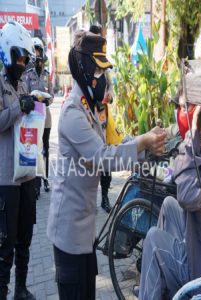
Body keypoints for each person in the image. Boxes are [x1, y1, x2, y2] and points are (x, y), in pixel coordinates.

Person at [46, 31, 166, 300]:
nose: (104, 80)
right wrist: (142, 144)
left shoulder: (90, 108)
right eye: (99, 73)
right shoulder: (72, 113)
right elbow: (103, 158)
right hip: (68, 232)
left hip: (84, 228)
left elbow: (116, 143)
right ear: (85, 70)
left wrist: (146, 144)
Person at [137, 91, 201, 299]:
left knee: (154, 239)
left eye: (185, 108)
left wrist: (192, 133)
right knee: (168, 204)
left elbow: (187, 195)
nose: (179, 113)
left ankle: (153, 287)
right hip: (200, 240)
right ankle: (160, 281)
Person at [0, 21, 37, 300]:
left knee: (25, 237)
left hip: (27, 171)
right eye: (20, 57)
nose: (23, 63)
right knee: (6, 243)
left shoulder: (24, 82)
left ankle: (21, 288)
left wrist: (36, 105)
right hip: (6, 179)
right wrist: (17, 107)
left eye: (26, 58)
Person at [22, 37, 54, 198]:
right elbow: (25, 94)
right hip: (33, 116)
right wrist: (33, 98)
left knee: (45, 148)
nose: (37, 53)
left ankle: (45, 178)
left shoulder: (47, 75)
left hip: (45, 115)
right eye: (35, 50)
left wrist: (48, 99)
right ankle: (35, 182)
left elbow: (52, 95)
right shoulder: (28, 75)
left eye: (39, 50)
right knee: (33, 148)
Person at [89, 24, 114, 213]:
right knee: (90, 157)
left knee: (106, 158)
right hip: (88, 117)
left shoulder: (105, 66)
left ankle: (105, 197)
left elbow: (111, 88)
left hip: (103, 116)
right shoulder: (86, 64)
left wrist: (109, 96)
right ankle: (89, 198)